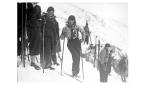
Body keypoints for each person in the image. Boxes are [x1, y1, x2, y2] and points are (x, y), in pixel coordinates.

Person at [26, 2, 41, 70]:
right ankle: (21, 58)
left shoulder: (38, 7)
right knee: (26, 43)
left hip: (36, 28)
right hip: (28, 28)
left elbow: (39, 18)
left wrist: (39, 23)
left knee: (35, 44)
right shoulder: (26, 5)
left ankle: (33, 61)